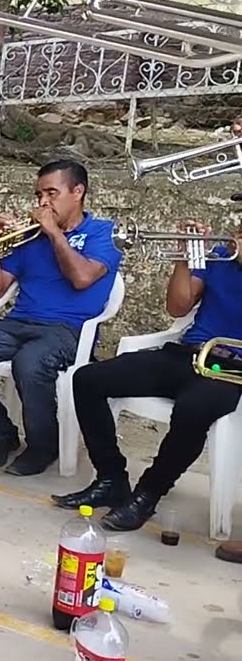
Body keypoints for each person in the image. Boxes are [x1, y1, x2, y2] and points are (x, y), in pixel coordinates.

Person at [53, 222, 242, 531]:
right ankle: (111, 477)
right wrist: (185, 255)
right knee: (88, 379)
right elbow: (178, 307)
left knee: (193, 411)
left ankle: (147, 495)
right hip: (187, 354)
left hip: (231, 367)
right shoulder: (218, 256)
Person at [0, 159, 122, 477]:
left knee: (30, 362)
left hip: (68, 329)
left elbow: (81, 278)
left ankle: (42, 446)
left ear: (78, 192)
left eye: (52, 193)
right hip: (19, 322)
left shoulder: (104, 233)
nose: (43, 202)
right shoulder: (29, 237)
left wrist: (54, 233)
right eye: (39, 194)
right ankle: (0, 433)